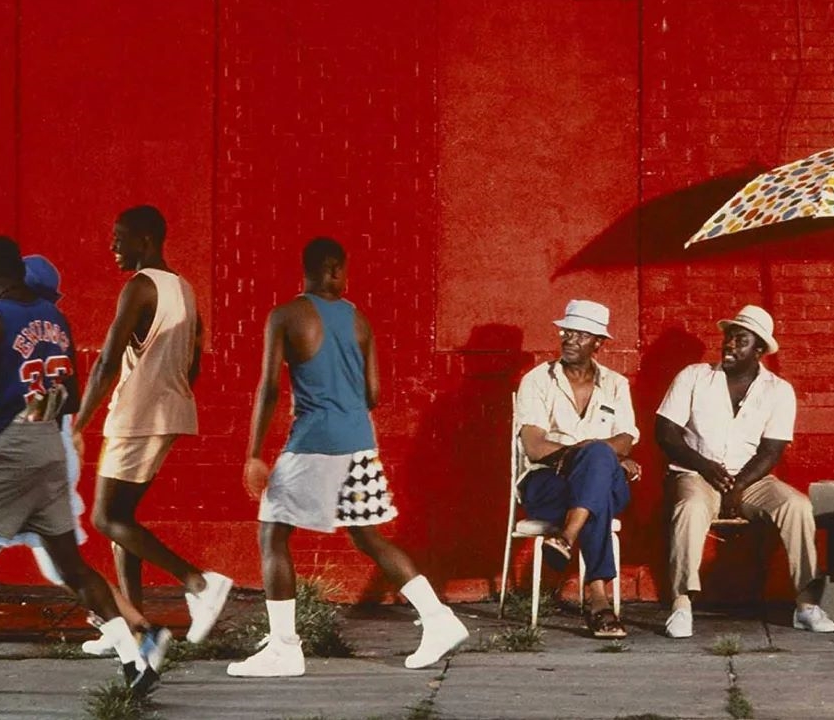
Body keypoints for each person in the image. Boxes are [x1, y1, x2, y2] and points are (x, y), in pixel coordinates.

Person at [0, 256, 170, 698]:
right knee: (57, 565)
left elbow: (4, 404)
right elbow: (47, 397)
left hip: (15, 458)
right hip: (51, 451)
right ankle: (134, 653)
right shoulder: (52, 325)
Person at [228, 237, 469, 677]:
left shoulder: (285, 316)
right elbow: (373, 393)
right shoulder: (359, 320)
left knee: (272, 533)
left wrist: (253, 453)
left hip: (316, 440)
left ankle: (284, 649)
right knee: (367, 536)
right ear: (335, 270)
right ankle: (438, 619)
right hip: (359, 439)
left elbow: (270, 388)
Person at [73, 205, 231, 647]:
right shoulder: (184, 288)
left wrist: (78, 423)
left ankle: (199, 583)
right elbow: (194, 361)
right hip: (168, 411)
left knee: (106, 517)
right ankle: (133, 628)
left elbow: (106, 361)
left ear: (145, 240)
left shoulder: (140, 286)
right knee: (122, 521)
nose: (112, 245)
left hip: (137, 414)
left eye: (119, 236)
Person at [656, 305, 834, 639]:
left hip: (752, 479)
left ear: (759, 350)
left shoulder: (778, 390)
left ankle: (807, 604)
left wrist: (738, 486)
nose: (729, 345)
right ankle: (681, 605)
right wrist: (705, 466)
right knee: (691, 508)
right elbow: (665, 433)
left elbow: (772, 450)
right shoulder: (694, 376)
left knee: (797, 506)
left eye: (741, 340)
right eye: (728, 337)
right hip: (696, 474)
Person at [514, 299, 638, 639]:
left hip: (593, 484)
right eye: (566, 332)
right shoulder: (537, 381)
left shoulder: (616, 384)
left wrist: (598, 455)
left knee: (597, 465)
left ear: (598, 343)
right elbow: (535, 447)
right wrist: (595, 455)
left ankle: (566, 538)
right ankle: (598, 600)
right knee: (597, 480)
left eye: (581, 334)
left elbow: (625, 440)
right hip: (547, 484)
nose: (569, 339)